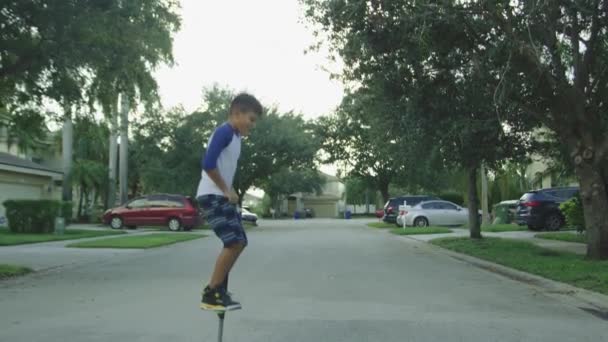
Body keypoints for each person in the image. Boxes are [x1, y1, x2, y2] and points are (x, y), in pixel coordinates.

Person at [197, 93, 263, 310]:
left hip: (220, 195)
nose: (252, 125)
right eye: (251, 119)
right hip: (211, 196)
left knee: (239, 241)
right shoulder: (224, 131)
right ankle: (212, 291)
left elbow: (223, 170)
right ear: (236, 113)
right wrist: (226, 189)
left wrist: (230, 189)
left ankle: (219, 290)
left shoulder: (236, 139)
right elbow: (208, 164)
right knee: (234, 242)